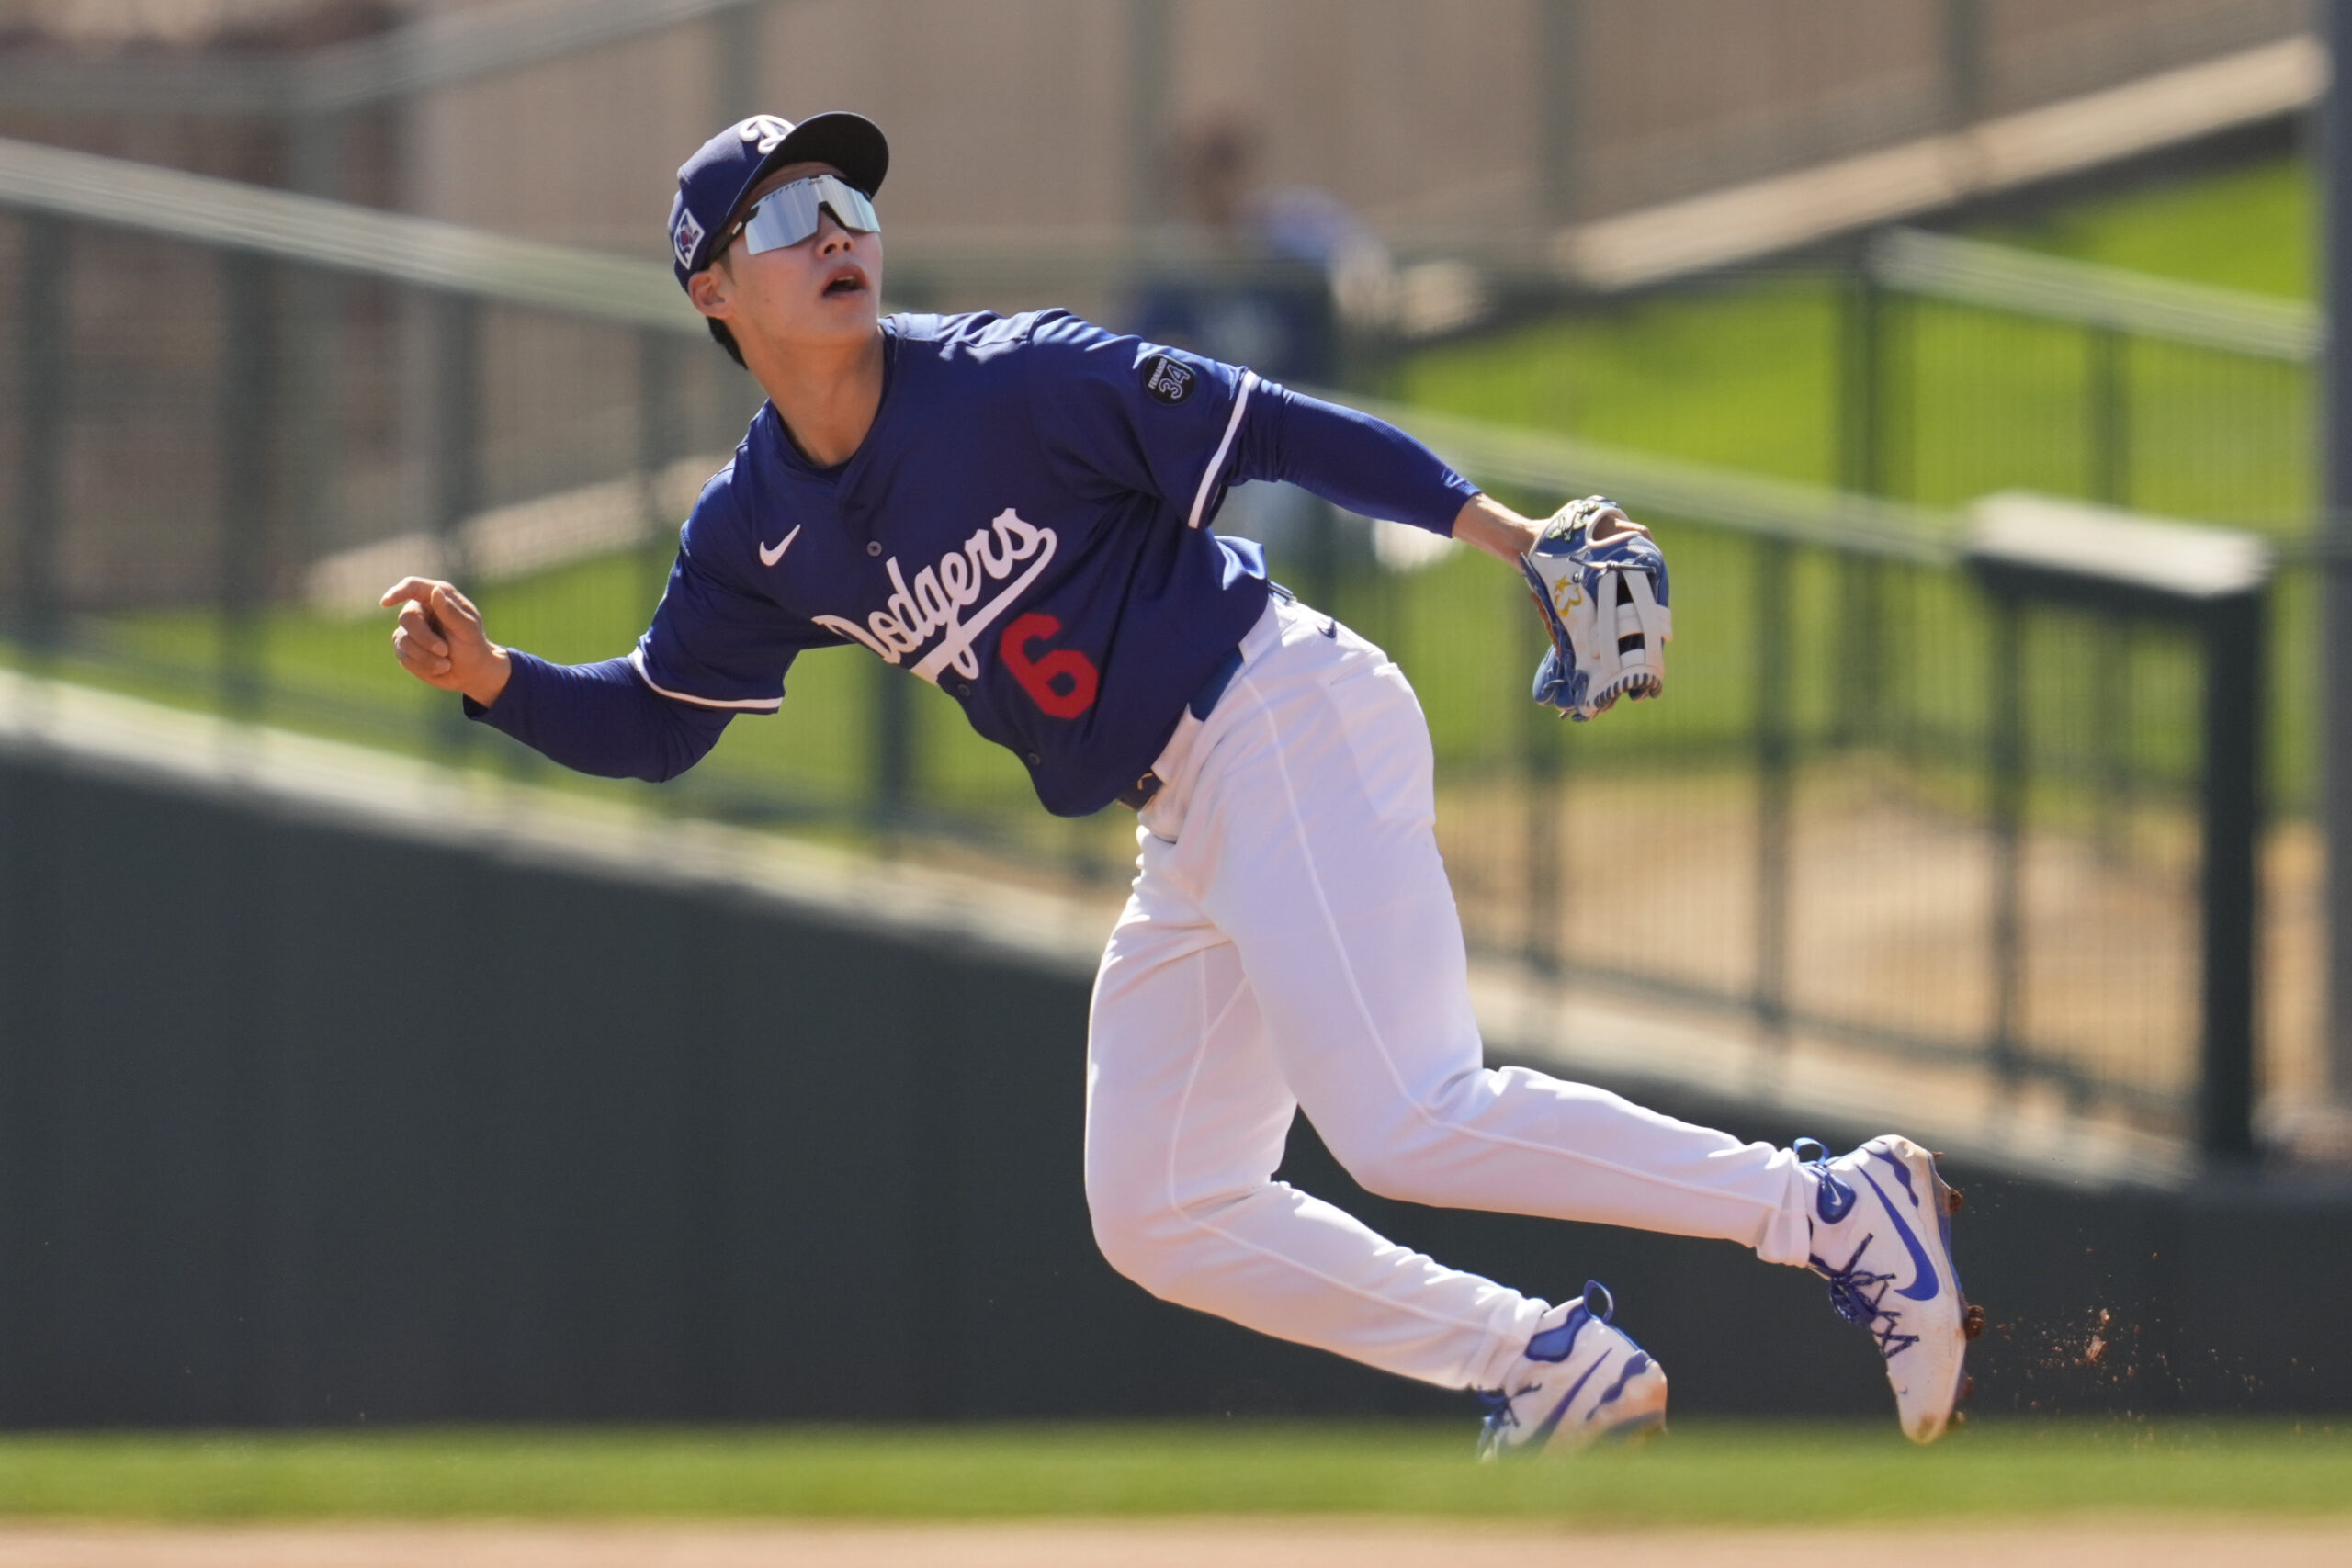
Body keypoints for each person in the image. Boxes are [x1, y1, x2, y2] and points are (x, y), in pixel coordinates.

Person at [380, 111, 1978, 1455]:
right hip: (1186, 812)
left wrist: (1501, 532)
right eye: (787, 214)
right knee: (1158, 1206)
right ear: (712, 286)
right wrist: (498, 682)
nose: (837, 227)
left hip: (1278, 710)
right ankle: (1539, 1361)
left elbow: (1268, 424)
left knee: (1409, 1121)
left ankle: (1825, 1211)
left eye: (847, 197)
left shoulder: (1011, 380)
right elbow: (662, 718)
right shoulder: (754, 531)